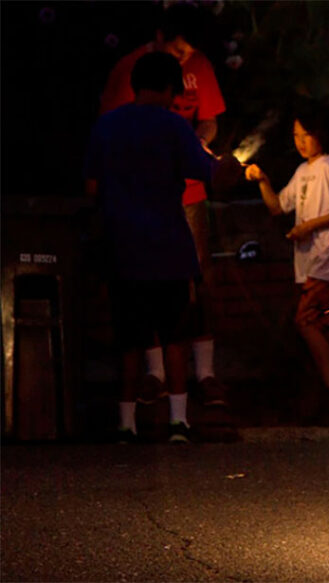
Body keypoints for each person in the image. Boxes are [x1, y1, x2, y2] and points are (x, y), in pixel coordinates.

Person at [99, 2, 229, 407]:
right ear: (158, 40)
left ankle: (204, 373)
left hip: (189, 190)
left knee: (198, 276)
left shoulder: (200, 64)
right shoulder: (130, 70)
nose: (185, 60)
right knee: (149, 279)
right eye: (177, 52)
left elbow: (209, 119)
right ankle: (155, 375)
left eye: (189, 53)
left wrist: (199, 143)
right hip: (143, 197)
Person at [85, 51, 216, 443]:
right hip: (168, 247)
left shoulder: (107, 126)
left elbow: (91, 186)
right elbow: (206, 171)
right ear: (169, 88)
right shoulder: (175, 127)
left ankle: (126, 424)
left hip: (122, 247)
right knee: (174, 333)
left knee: (128, 339)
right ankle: (178, 421)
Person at [245, 107, 329, 422]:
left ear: (320, 134)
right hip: (311, 262)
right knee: (328, 328)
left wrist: (309, 227)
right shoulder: (303, 171)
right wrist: (263, 180)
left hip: (327, 260)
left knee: (308, 322)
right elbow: (277, 207)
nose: (300, 141)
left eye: (305, 134)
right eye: (296, 136)